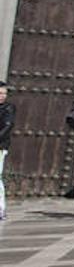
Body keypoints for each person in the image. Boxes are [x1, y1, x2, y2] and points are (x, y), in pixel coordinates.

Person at [0, 80, 12, 221]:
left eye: (5, 93)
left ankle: (1, 208)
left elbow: (6, 126)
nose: (3, 96)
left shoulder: (8, 108)